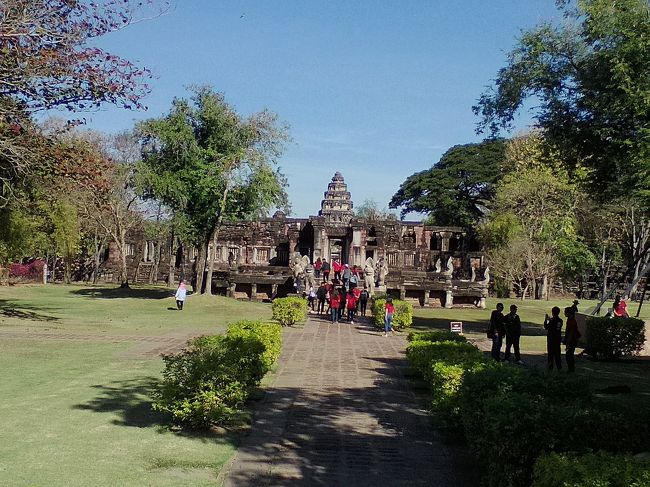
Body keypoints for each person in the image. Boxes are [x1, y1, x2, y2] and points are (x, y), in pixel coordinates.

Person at [544, 306, 563, 371]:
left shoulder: (552, 321)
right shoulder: (560, 320)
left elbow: (546, 327)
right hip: (557, 340)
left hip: (551, 340)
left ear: (553, 312)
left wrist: (546, 320)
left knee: (551, 355)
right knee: (558, 355)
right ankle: (559, 368)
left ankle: (550, 368)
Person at [564, 306, 581, 373]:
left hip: (572, 340)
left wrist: (568, 343)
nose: (564, 313)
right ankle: (571, 369)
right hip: (571, 339)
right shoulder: (570, 319)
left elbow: (570, 333)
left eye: (565, 312)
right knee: (569, 355)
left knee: (569, 355)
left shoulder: (571, 321)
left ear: (569, 313)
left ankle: (571, 369)